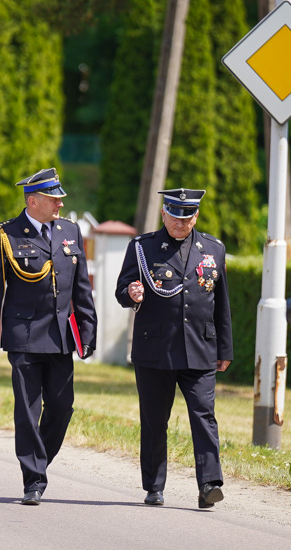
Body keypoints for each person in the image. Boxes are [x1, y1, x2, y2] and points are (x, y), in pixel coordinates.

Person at [0, 167, 97, 505]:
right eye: (53, 198)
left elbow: (81, 287)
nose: (60, 204)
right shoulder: (6, 235)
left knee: (62, 406)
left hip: (59, 337)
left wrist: (88, 330)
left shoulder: (70, 231)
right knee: (28, 410)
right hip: (23, 335)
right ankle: (33, 480)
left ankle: (38, 463)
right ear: (33, 200)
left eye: (59, 198)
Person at [115, 188, 233, 509]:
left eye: (187, 217)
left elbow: (221, 303)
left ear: (196, 216)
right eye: (175, 216)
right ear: (164, 214)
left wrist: (225, 348)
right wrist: (132, 292)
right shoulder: (142, 247)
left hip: (200, 348)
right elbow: (121, 290)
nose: (181, 223)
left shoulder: (213, 249)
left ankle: (210, 483)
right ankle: (154, 486)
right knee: (155, 420)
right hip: (156, 349)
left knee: (203, 416)